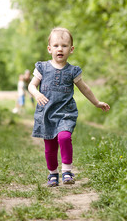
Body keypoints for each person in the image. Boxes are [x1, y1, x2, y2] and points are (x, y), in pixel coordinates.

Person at [28, 27, 110, 187]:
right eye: (56, 45)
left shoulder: (73, 71)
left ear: (71, 49)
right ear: (49, 48)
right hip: (46, 113)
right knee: (50, 147)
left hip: (66, 113)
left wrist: (96, 102)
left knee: (64, 137)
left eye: (64, 46)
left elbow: (85, 88)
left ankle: (67, 170)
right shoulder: (42, 68)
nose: (60, 49)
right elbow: (31, 86)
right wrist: (36, 94)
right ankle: (52, 173)